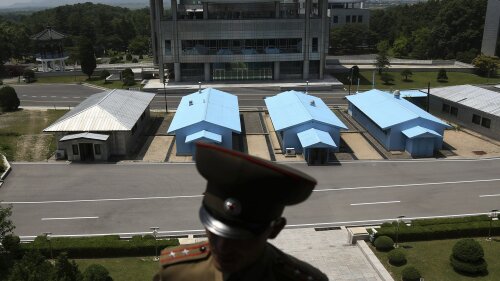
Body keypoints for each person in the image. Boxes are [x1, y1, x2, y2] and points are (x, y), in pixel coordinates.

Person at [153, 142, 328, 281]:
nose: (222, 247)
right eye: (214, 231)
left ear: (275, 229)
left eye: (240, 237)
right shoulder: (175, 274)